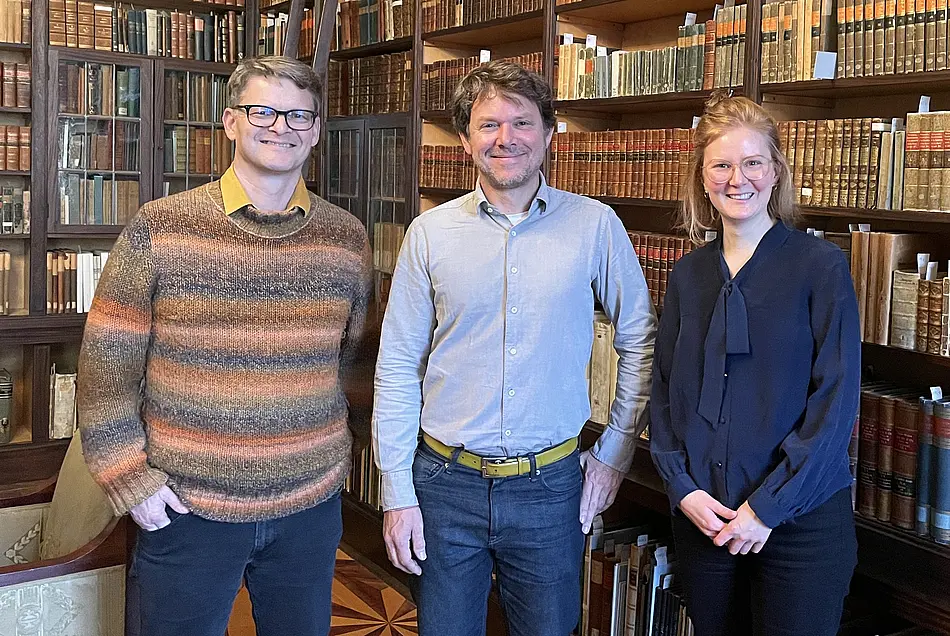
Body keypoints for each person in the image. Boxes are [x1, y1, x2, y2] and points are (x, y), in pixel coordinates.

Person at [76, 55, 372, 636]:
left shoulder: (347, 238)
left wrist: (334, 463)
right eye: (262, 110)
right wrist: (128, 478)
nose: (278, 126)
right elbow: (106, 368)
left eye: (296, 115)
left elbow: (353, 363)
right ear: (231, 122)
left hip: (309, 509)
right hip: (187, 510)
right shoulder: (161, 226)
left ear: (314, 131)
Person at [371, 60, 656, 636]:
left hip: (551, 489)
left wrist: (616, 451)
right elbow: (398, 364)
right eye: (488, 125)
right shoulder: (429, 234)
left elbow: (639, 340)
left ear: (550, 134)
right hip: (443, 486)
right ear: (465, 140)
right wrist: (396, 489)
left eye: (522, 122)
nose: (506, 139)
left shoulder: (596, 225)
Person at [650, 94, 861, 636]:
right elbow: (664, 390)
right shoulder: (688, 274)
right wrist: (683, 489)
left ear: (775, 173)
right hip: (705, 518)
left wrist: (767, 508)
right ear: (702, 176)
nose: (736, 178)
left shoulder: (822, 267)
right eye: (721, 164)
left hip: (800, 523)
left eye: (752, 163)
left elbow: (835, 404)